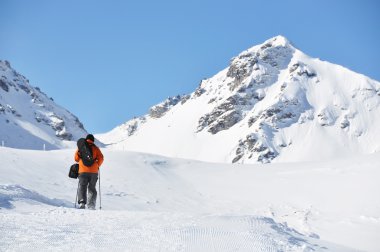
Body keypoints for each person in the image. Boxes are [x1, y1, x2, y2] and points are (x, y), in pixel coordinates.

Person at [75, 134, 104, 209]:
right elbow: (101, 158)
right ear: (93, 140)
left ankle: (82, 202)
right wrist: (97, 165)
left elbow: (76, 158)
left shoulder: (81, 148)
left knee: (82, 186)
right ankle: (91, 205)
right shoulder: (96, 148)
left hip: (82, 170)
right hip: (93, 172)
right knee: (92, 188)